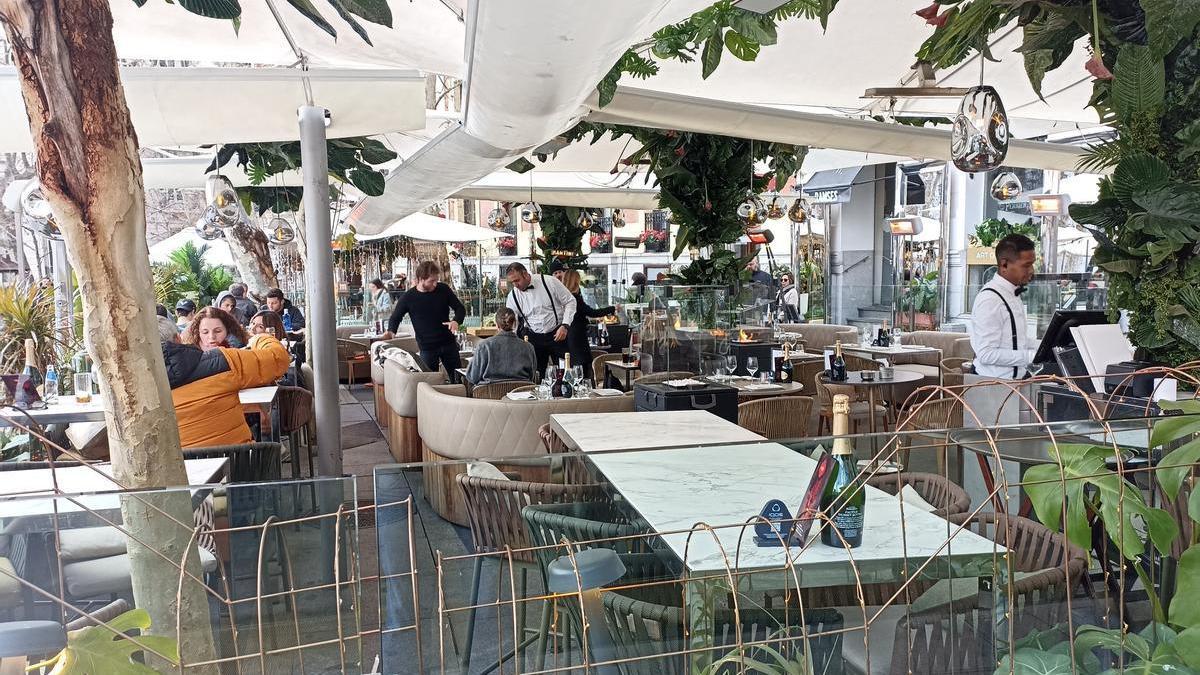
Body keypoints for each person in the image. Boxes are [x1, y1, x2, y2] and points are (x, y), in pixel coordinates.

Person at [161, 325, 291, 448]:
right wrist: (260, 338)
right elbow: (278, 359)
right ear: (178, 338)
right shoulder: (223, 360)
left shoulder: (143, 389)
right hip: (240, 463)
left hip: (183, 469)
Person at [383, 260, 466, 381]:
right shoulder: (408, 297)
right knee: (430, 382)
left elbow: (460, 308)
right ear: (421, 279)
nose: (435, 284)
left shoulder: (443, 289)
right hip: (427, 347)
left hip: (448, 343)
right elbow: (396, 317)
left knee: (458, 379)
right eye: (431, 281)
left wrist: (456, 321)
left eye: (436, 280)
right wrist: (391, 331)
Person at [970, 234, 1037, 379]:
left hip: (1015, 383)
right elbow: (986, 354)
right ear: (1004, 264)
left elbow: (1017, 341)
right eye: (1026, 265)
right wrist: (1031, 356)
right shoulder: (990, 299)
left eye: (1032, 264)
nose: (1031, 270)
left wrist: (1044, 346)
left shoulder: (1012, 293)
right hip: (992, 386)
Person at [504, 261, 577, 375]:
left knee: (565, 373)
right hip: (534, 338)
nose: (515, 285)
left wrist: (565, 325)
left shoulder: (549, 281)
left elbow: (570, 301)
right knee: (536, 375)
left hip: (557, 334)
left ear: (525, 274)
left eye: (517, 280)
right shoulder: (513, 296)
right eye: (512, 282)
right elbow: (513, 322)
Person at [561, 269, 614, 380]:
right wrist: (612, 308)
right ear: (575, 282)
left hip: (567, 336)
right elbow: (593, 313)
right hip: (578, 337)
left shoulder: (562, 298)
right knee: (582, 368)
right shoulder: (575, 299)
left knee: (570, 366)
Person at [464, 308, 537, 385]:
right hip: (521, 393)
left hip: (488, 395)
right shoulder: (528, 347)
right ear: (515, 324)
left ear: (496, 325)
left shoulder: (485, 346)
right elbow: (532, 376)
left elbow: (472, 377)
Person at [183, 306, 249, 351]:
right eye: (205, 332)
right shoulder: (188, 356)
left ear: (227, 330)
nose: (211, 336)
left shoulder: (239, 351)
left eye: (218, 331)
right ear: (197, 332)